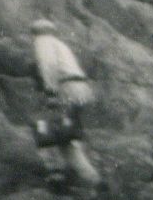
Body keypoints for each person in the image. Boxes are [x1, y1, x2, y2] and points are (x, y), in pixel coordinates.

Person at [28, 19, 101, 190]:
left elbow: (48, 65)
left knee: (45, 127)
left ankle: (59, 174)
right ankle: (89, 178)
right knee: (66, 134)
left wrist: (51, 91)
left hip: (66, 88)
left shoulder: (42, 42)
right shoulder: (59, 44)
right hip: (80, 89)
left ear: (35, 32)